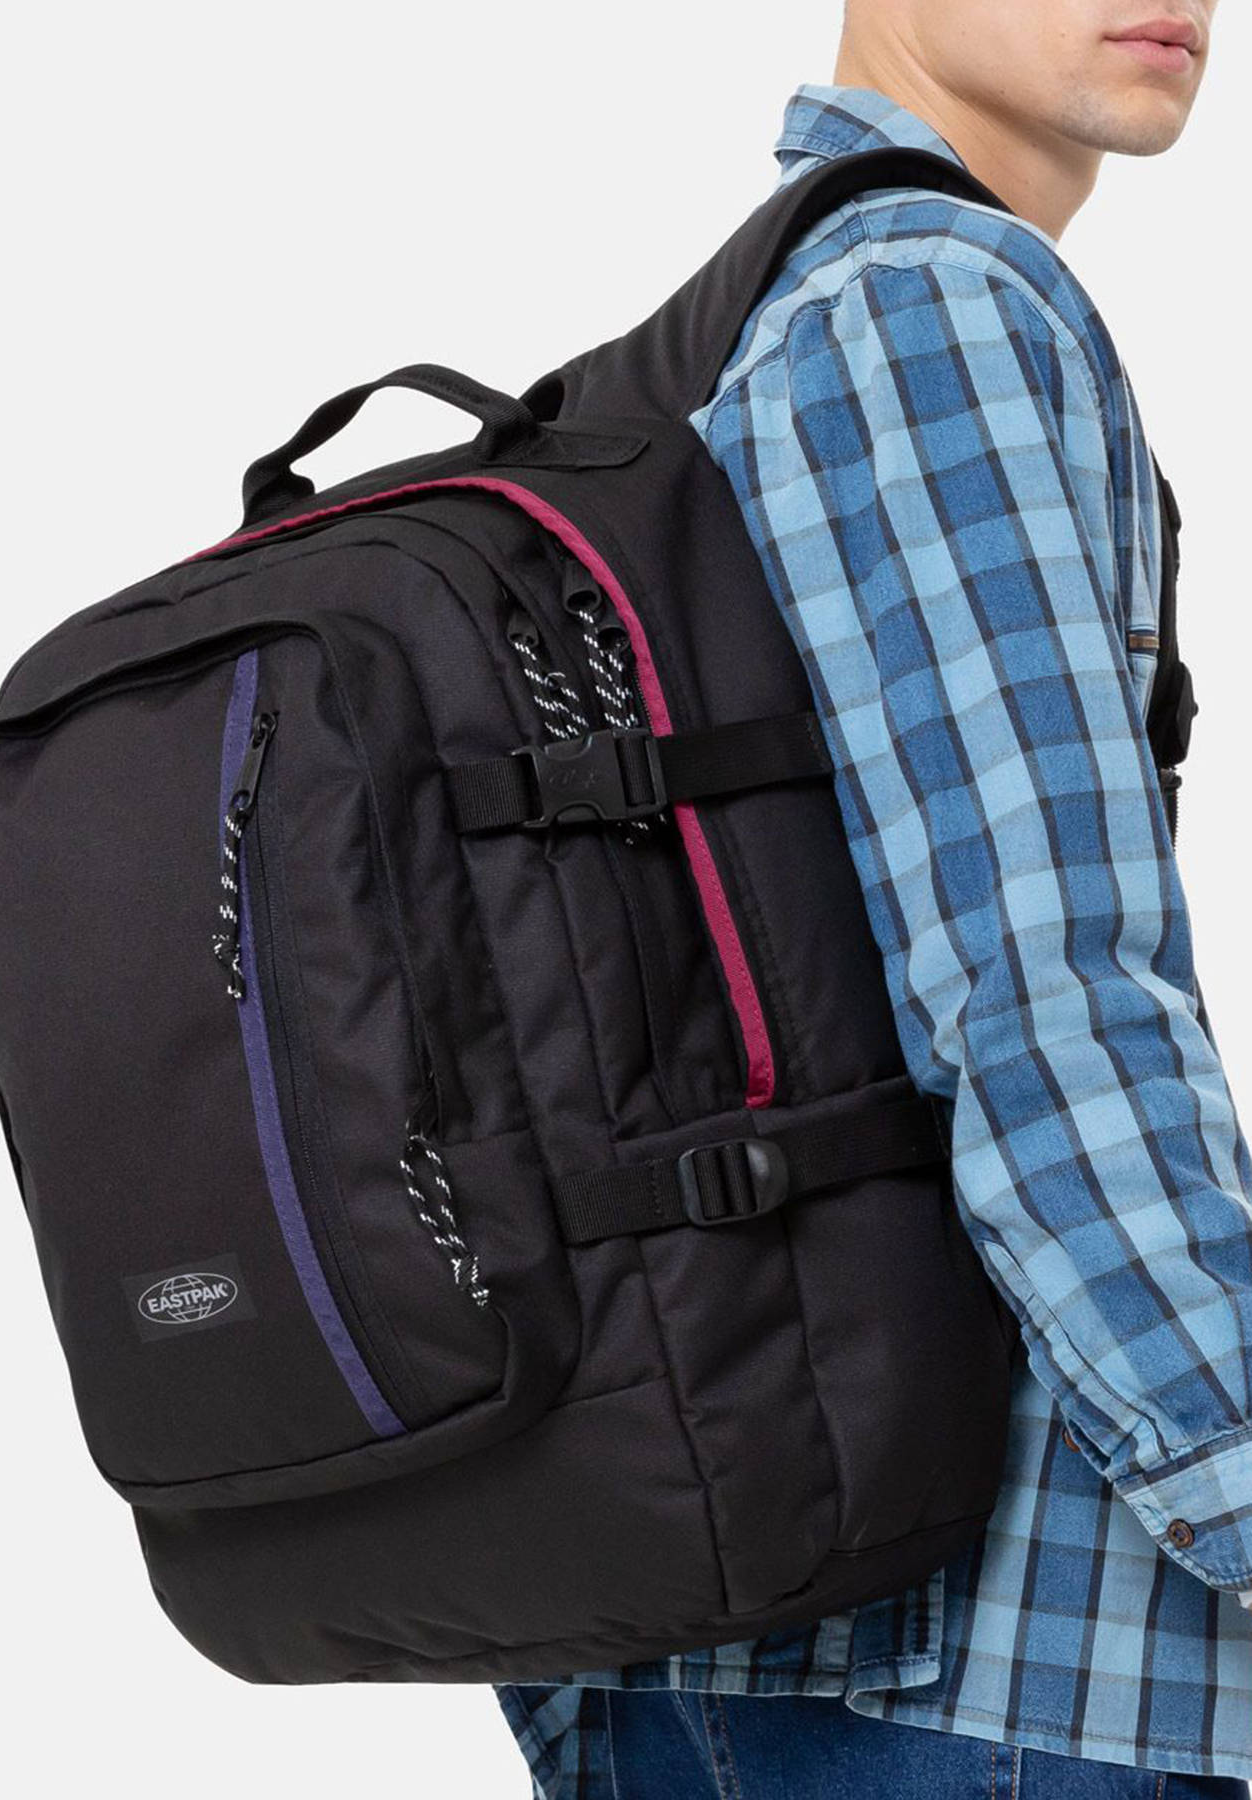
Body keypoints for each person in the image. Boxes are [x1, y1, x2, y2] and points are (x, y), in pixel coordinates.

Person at [496, 3, 1252, 1794]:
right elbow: (1039, 987)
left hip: (729, 1610)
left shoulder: (735, 330)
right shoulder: (928, 304)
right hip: (1002, 1663)